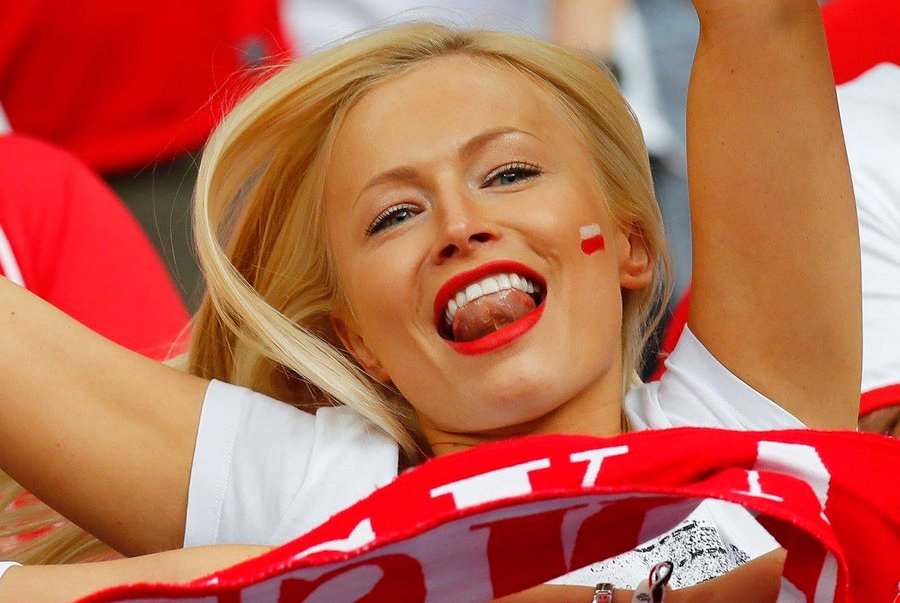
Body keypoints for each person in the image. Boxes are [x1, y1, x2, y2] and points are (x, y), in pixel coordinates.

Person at [0, 0, 861, 600]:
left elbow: (763, 17)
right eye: (395, 216)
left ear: (630, 244)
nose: (460, 224)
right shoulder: (309, 487)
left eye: (510, 172)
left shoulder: (741, 419)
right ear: (358, 340)